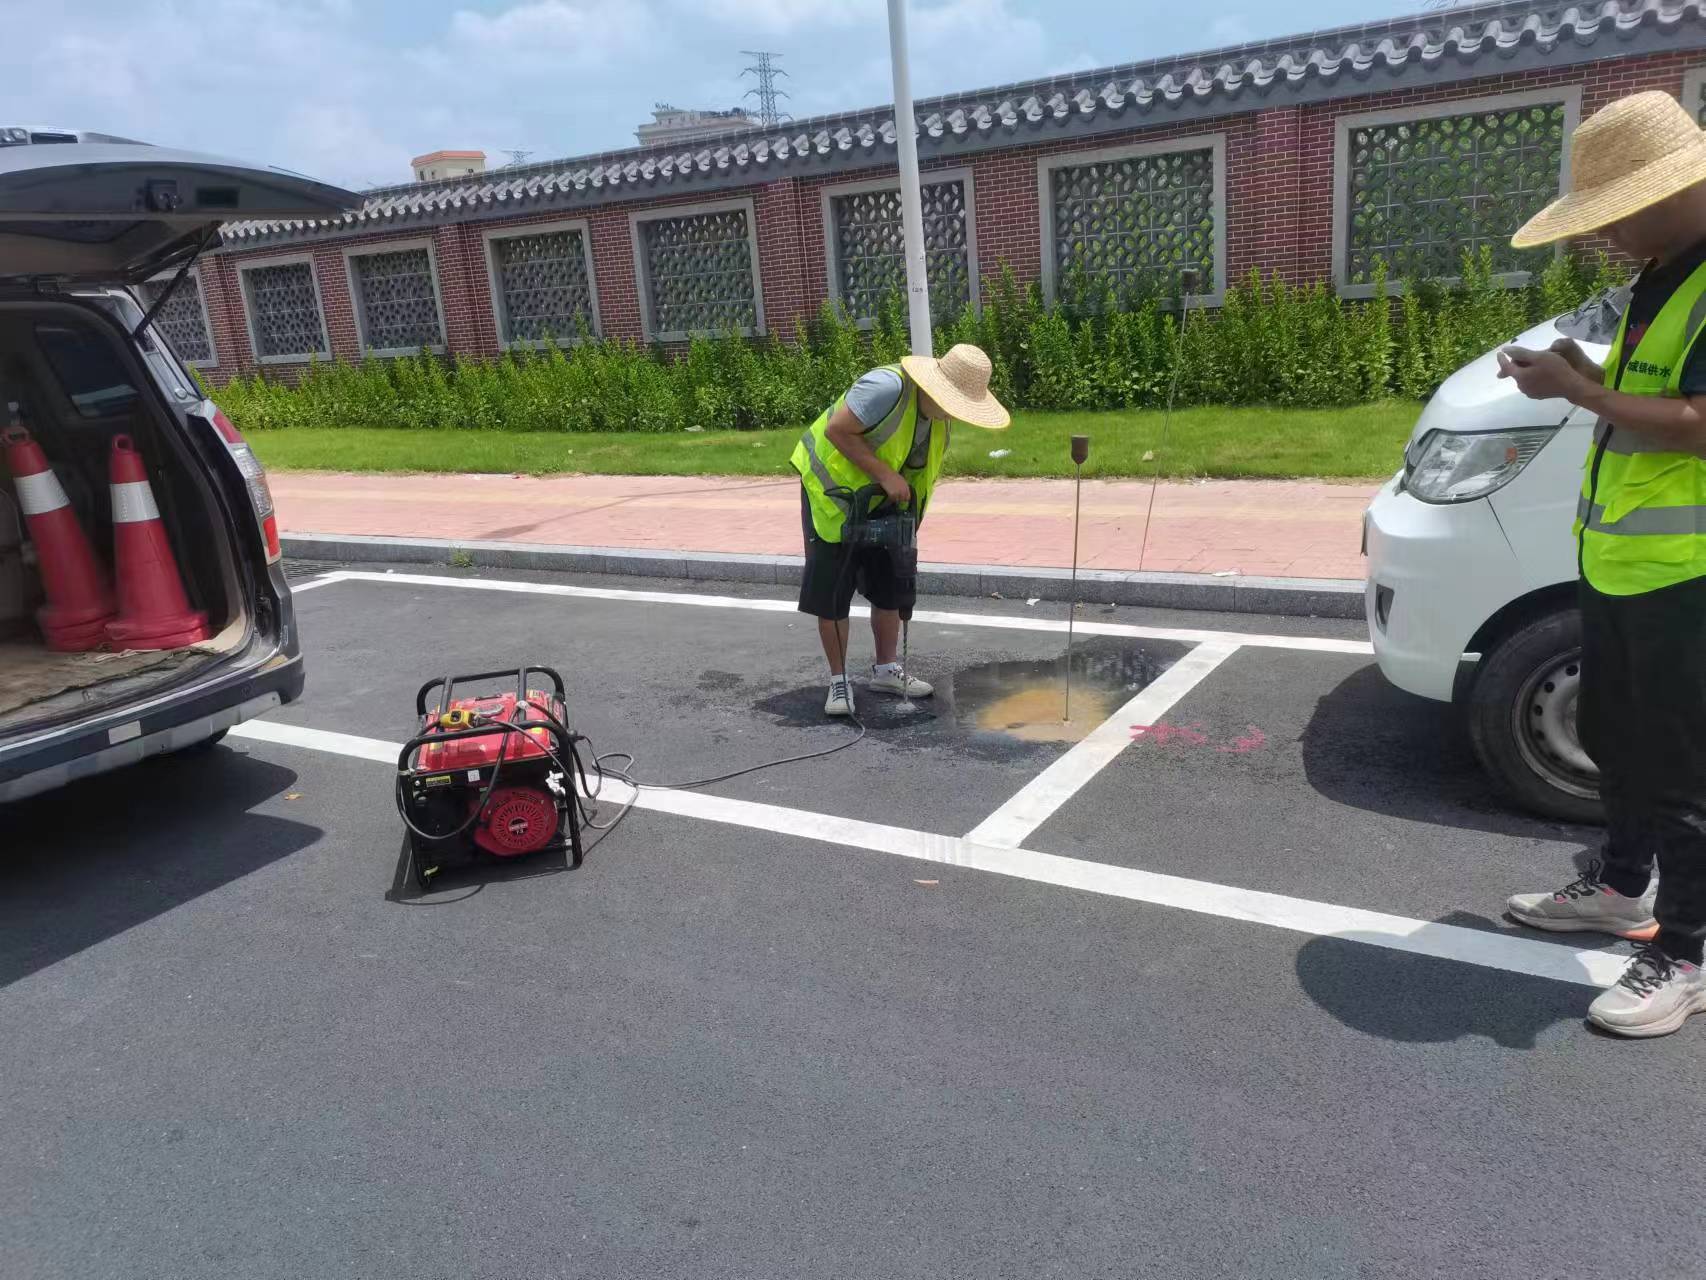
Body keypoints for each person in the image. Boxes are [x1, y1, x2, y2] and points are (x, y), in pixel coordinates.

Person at [1496, 90, 1706, 1037]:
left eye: (1615, 217)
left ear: (1671, 191)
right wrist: (1587, 365)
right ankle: (1623, 888)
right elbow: (1655, 390)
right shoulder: (1667, 270)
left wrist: (1579, 390)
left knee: (1685, 771)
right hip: (1625, 565)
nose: (1609, 237)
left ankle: (1687, 953)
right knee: (1619, 740)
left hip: (1690, 576)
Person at [791, 344, 1010, 717]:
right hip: (832, 497)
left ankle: (886, 670)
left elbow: (919, 476)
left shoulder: (940, 421)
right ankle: (839, 681)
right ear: (937, 388)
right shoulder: (885, 388)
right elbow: (837, 431)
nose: (957, 413)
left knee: (890, 587)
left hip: (887, 504)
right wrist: (885, 475)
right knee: (833, 591)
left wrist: (907, 532)